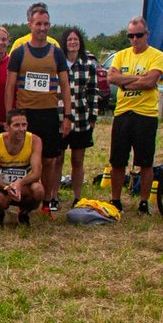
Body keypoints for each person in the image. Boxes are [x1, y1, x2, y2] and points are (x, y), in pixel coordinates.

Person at [4, 4, 72, 213]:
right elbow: (9, 87)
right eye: (38, 24)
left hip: (49, 113)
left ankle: (47, 201)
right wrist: (10, 117)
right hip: (26, 114)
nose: (42, 28)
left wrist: (67, 115)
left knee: (50, 160)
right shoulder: (19, 52)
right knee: (25, 158)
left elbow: (65, 85)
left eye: (46, 24)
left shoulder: (57, 53)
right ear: (30, 25)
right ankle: (24, 198)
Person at [108, 16, 163, 214]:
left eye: (138, 35)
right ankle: (115, 200)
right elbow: (112, 77)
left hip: (145, 114)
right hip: (123, 112)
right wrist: (136, 78)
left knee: (145, 161)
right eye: (130, 36)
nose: (134, 40)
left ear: (146, 34)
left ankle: (143, 202)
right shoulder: (121, 55)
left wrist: (125, 81)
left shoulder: (157, 55)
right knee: (117, 160)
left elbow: (150, 82)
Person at [57, 26, 99, 201]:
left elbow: (93, 92)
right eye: (69, 40)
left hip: (81, 117)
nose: (73, 43)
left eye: (76, 40)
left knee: (77, 160)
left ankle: (77, 196)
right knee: (57, 158)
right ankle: (53, 195)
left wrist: (93, 117)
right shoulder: (57, 64)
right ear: (64, 43)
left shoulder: (88, 65)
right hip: (59, 116)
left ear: (80, 43)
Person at [0, 109, 45, 226]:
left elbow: (36, 173)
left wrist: (20, 183)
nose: (22, 129)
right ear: (6, 127)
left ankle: (24, 212)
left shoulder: (35, 140)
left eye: (24, 125)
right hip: (2, 186)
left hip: (24, 185)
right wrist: (7, 188)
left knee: (38, 190)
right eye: (16, 125)